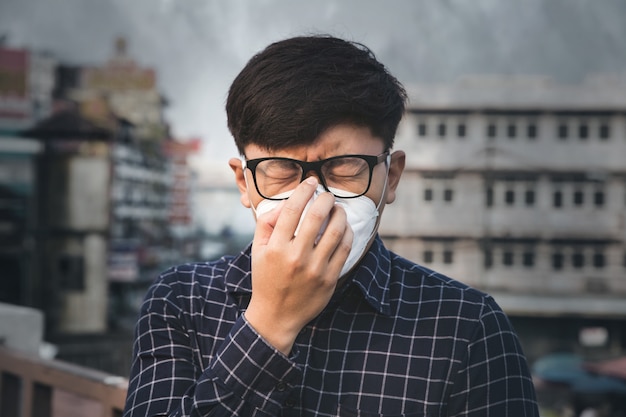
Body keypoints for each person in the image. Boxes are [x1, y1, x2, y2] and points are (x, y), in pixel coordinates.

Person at [123, 35, 539, 416]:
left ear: (390, 177)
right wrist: (269, 323)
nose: (314, 199)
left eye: (344, 168)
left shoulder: (467, 327)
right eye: (281, 170)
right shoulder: (181, 301)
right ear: (244, 183)